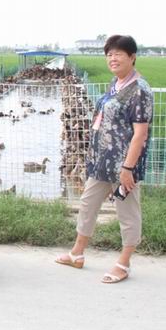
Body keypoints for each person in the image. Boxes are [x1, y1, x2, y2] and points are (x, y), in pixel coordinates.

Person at [55, 35, 153, 284]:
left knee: (127, 213)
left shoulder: (140, 90)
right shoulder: (116, 83)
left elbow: (140, 134)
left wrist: (128, 168)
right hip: (101, 162)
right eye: (109, 54)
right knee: (87, 204)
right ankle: (77, 253)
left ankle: (124, 263)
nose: (113, 58)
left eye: (118, 54)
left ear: (132, 57)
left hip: (123, 165)